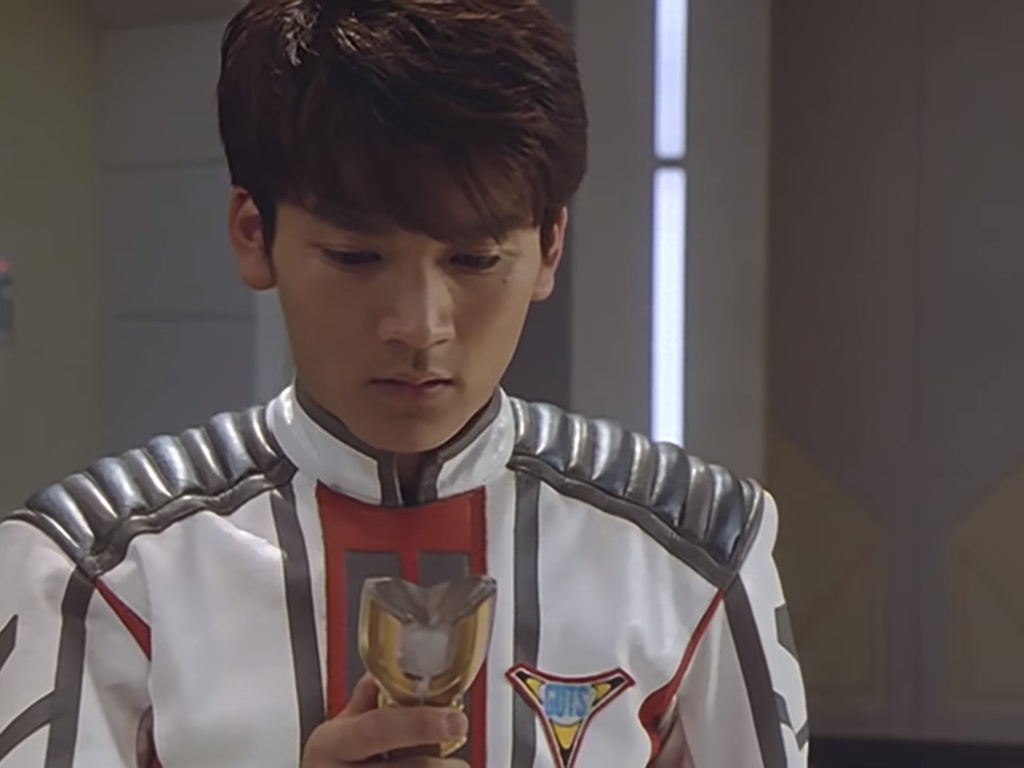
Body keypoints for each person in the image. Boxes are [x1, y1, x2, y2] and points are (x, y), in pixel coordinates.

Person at [0, 0, 807, 766]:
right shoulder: (95, 569)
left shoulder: (697, 549)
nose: (420, 326)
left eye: (474, 259)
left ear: (549, 248)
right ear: (254, 234)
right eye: (356, 256)